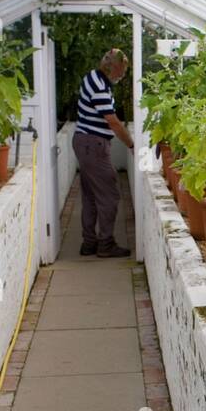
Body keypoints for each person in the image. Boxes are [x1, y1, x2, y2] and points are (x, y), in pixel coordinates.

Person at [73, 48, 135, 257]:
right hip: (94, 145)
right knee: (110, 195)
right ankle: (105, 244)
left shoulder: (93, 78)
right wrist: (132, 145)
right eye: (123, 70)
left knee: (91, 196)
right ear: (115, 67)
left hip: (85, 143)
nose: (123, 75)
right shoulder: (99, 86)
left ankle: (89, 243)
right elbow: (113, 122)